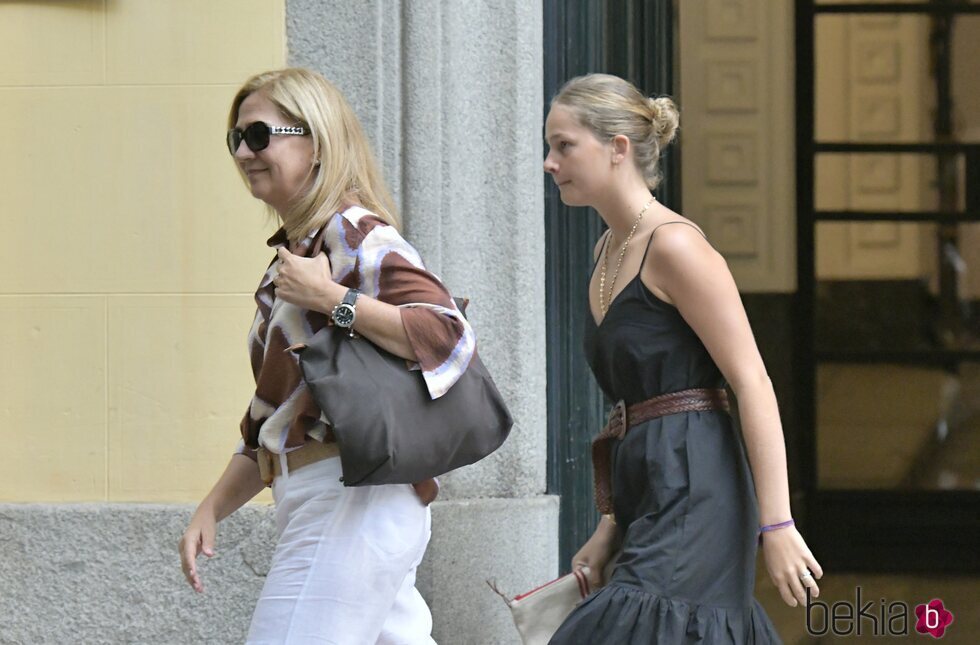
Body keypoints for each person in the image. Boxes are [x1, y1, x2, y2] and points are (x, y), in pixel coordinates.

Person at [178, 67, 475, 644]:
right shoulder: (298, 252)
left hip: (349, 500)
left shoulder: (355, 232)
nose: (244, 152)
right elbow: (273, 416)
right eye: (236, 138)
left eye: (260, 135)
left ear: (315, 141)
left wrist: (331, 300)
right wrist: (212, 507)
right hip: (335, 500)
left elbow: (447, 335)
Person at [543, 73, 821, 643]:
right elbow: (639, 405)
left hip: (699, 482)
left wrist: (778, 522)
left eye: (564, 145)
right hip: (647, 481)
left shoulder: (676, 246)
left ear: (618, 148)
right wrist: (609, 526)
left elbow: (753, 381)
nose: (549, 162)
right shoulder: (605, 250)